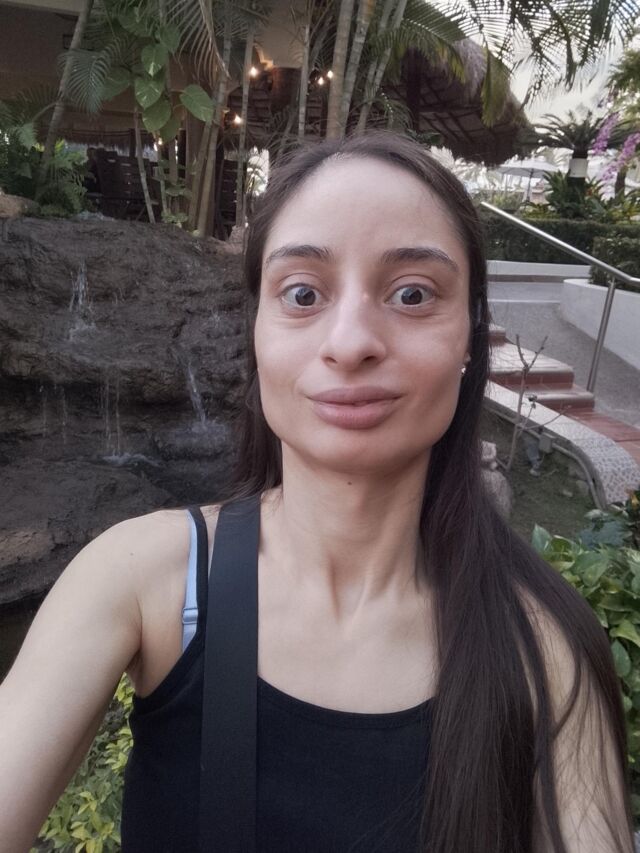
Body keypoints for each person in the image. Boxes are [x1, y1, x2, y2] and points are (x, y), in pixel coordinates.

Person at [0, 130, 634, 853]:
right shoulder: (146, 582)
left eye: (413, 293)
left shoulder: (543, 647)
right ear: (257, 331)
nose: (350, 341)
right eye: (302, 294)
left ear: (470, 336)